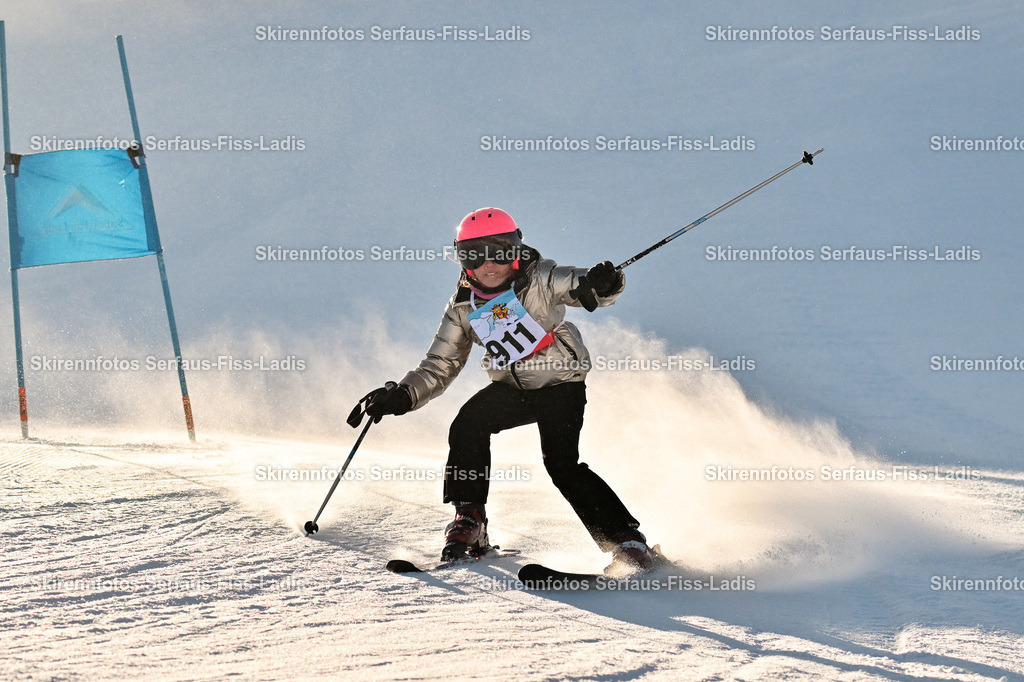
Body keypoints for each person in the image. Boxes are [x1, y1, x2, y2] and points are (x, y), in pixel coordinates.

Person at [359, 207, 658, 573]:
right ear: (462, 259)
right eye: (474, 255)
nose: (489, 265)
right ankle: (470, 521)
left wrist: (604, 283)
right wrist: (402, 395)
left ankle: (627, 544)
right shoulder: (463, 308)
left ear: (516, 251)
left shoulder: (541, 278)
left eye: (499, 252)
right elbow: (441, 364)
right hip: (511, 388)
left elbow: (580, 285)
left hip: (560, 383)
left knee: (562, 464)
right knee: (468, 423)